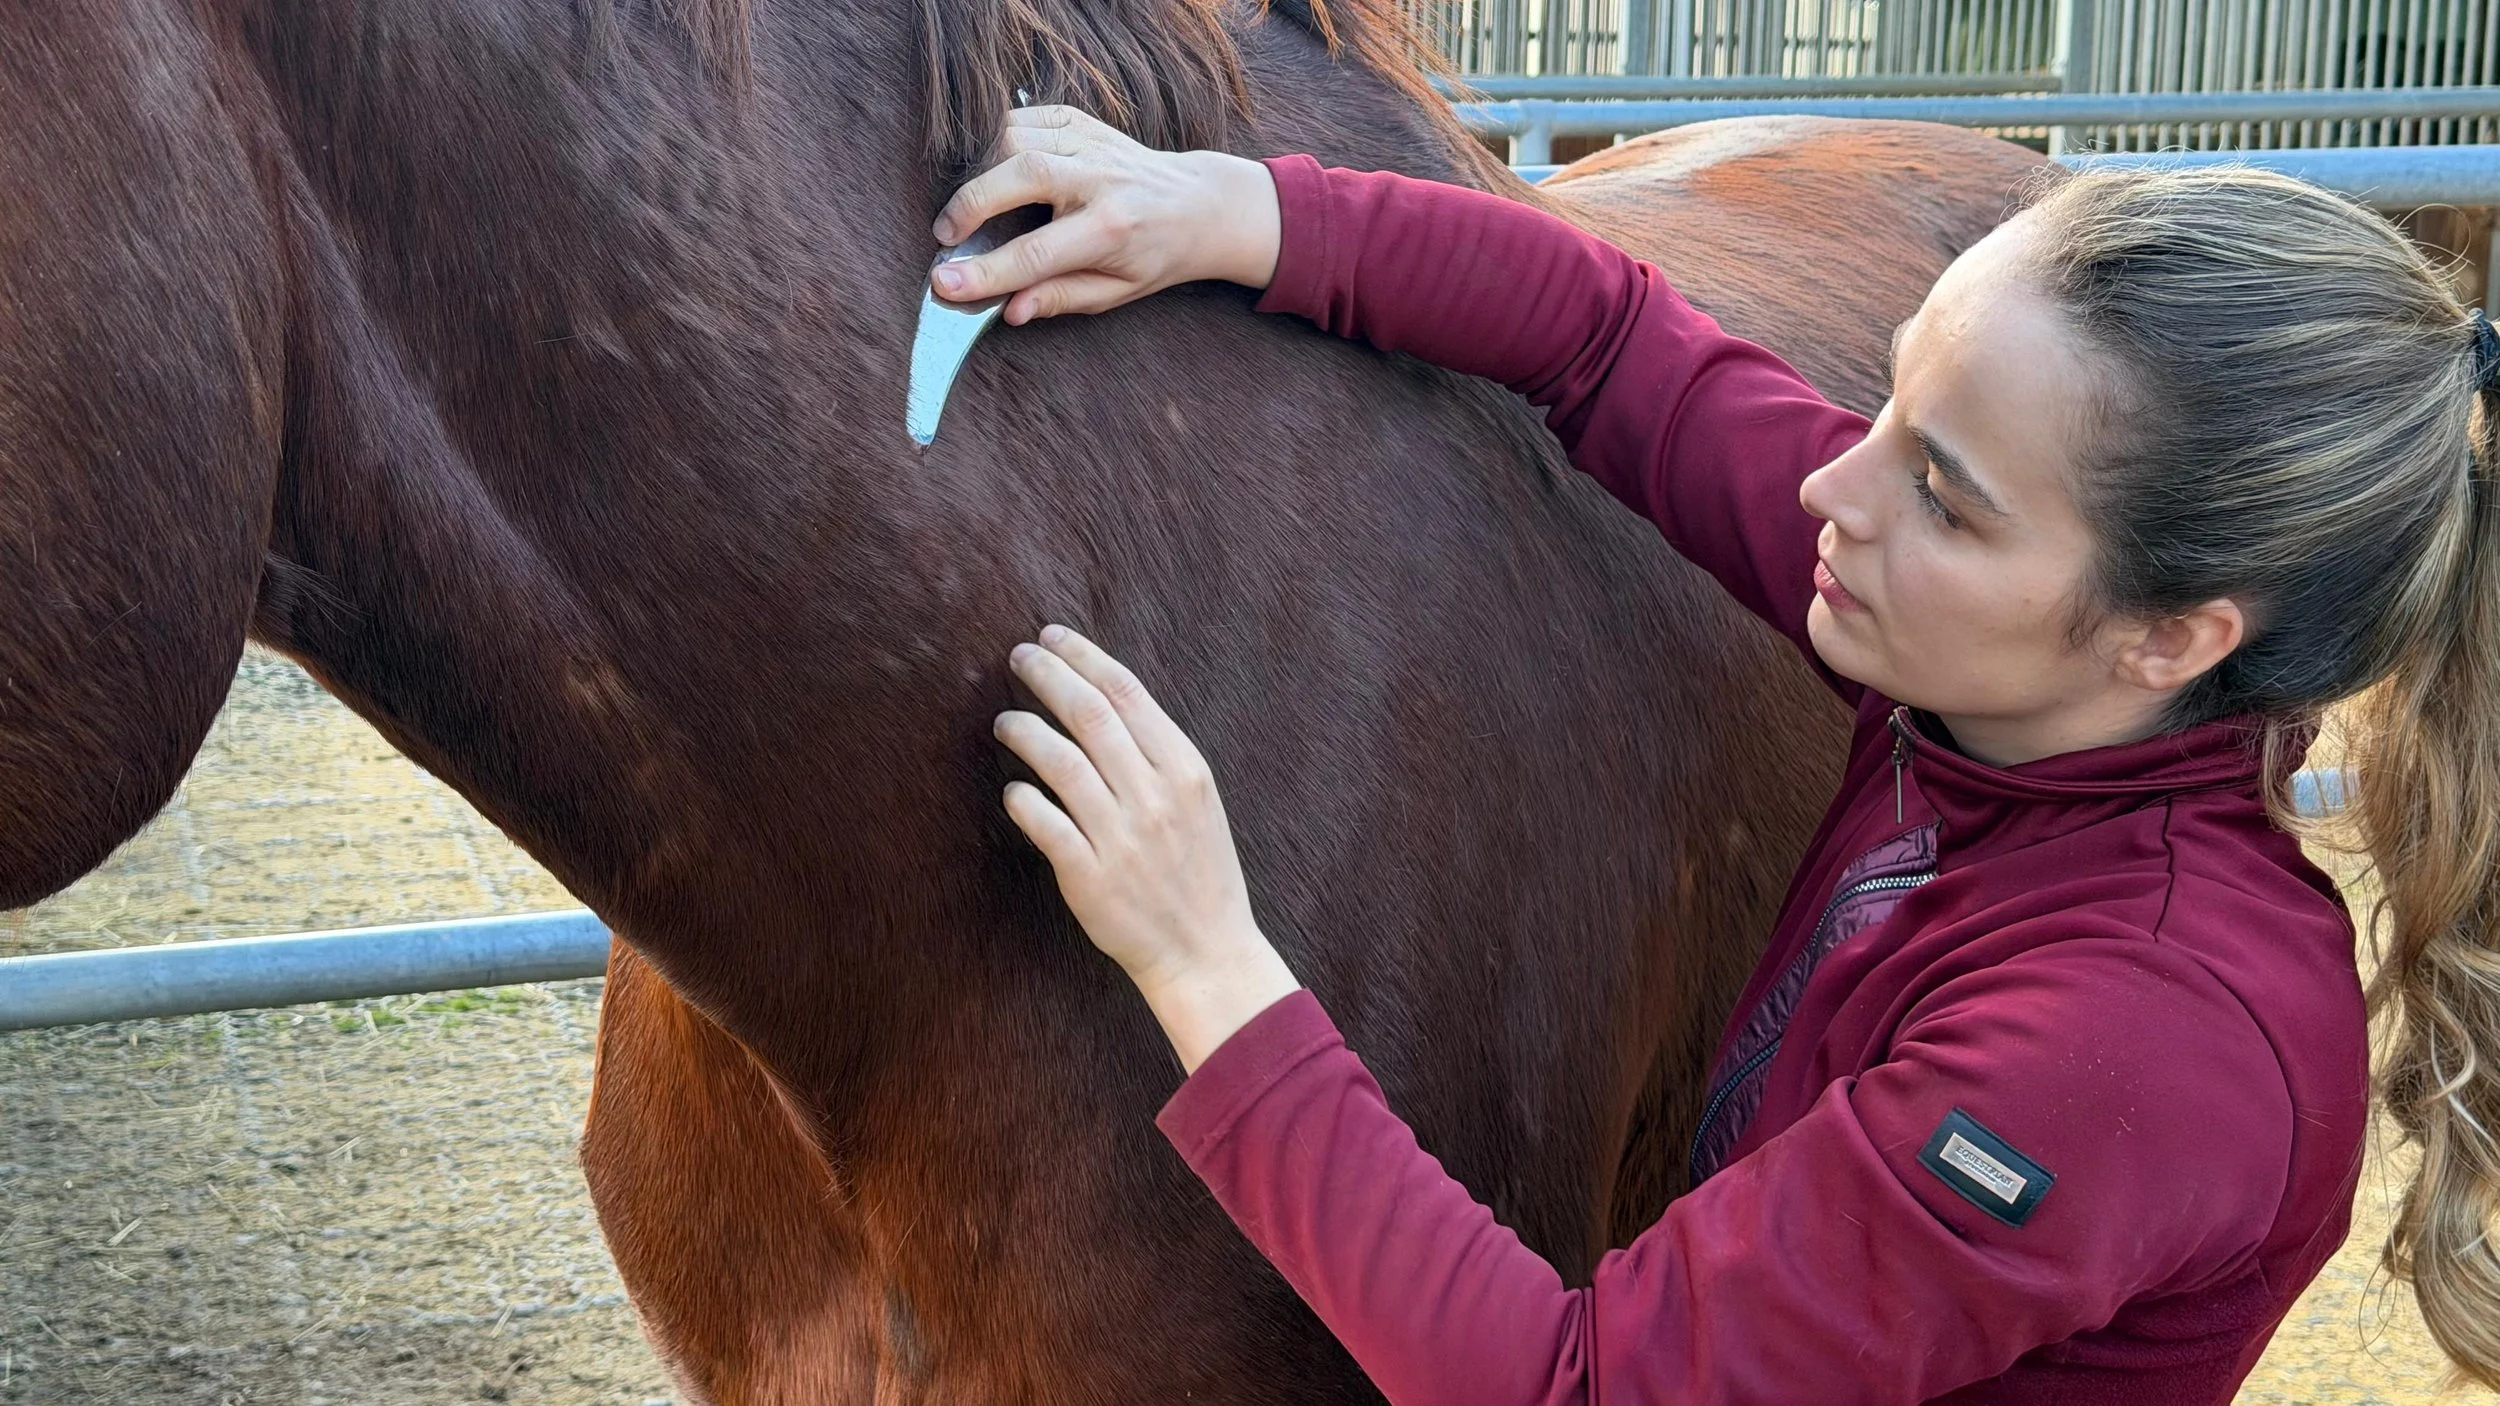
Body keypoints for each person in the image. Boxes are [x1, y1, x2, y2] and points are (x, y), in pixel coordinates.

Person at [944, 106, 2500, 1403]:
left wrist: (1207, 959)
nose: (1838, 485)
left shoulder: (2143, 1041)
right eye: (1891, 399)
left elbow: (1567, 1386)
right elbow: (1612, 340)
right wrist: (1229, 210)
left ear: (2174, 636)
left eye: (1947, 493)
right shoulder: (2000, 671)